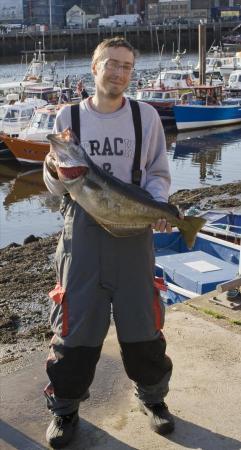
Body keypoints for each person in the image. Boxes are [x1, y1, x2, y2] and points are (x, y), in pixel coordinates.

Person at [43, 37, 175, 449]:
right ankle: (65, 409)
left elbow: (157, 173)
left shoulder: (146, 116)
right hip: (81, 234)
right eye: (111, 64)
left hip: (134, 234)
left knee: (143, 323)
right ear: (94, 68)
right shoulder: (68, 117)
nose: (119, 73)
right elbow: (52, 190)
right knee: (75, 326)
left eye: (127, 67)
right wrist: (51, 170)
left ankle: (152, 398)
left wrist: (157, 207)